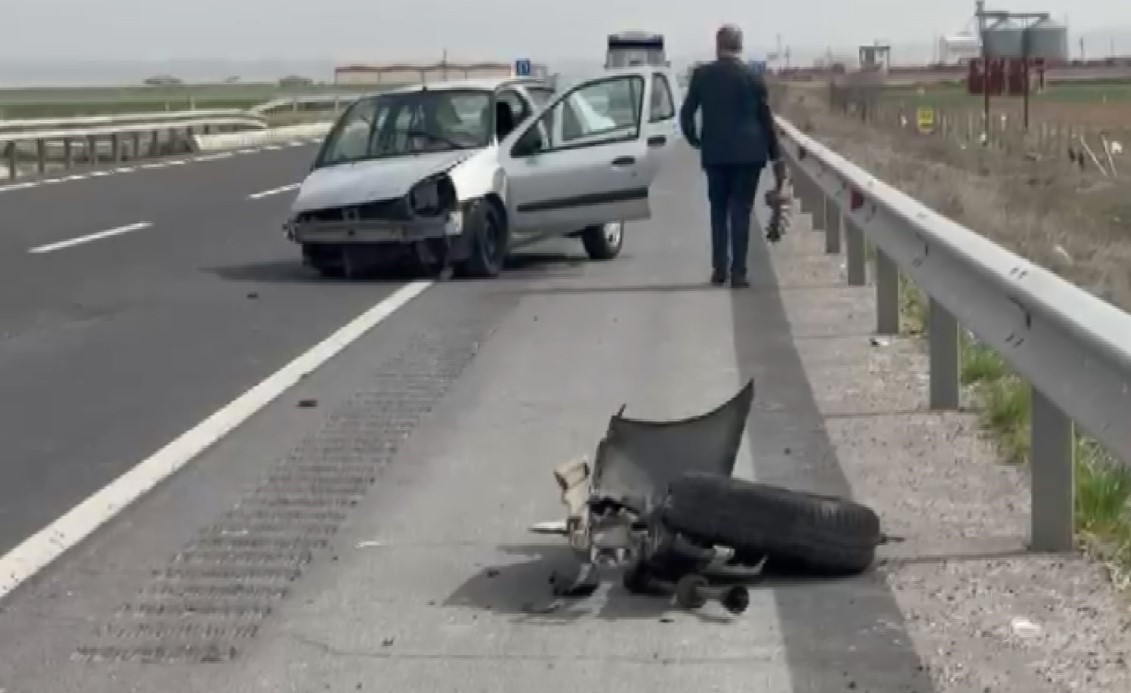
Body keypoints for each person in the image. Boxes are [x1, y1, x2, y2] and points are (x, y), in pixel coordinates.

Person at [679, 24, 786, 288]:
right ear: (740, 46)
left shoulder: (702, 75)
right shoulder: (753, 77)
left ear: (718, 46)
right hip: (749, 156)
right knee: (741, 212)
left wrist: (695, 139)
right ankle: (739, 272)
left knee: (718, 211)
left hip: (715, 155)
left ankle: (719, 269)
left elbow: (686, 114)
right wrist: (777, 159)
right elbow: (766, 121)